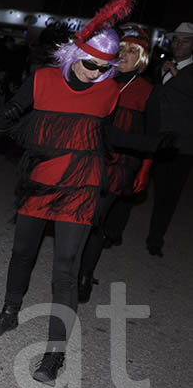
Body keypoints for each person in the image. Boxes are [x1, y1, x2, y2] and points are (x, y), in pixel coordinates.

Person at [0, 0, 138, 384]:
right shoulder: (43, 79)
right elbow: (14, 111)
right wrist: (3, 117)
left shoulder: (108, 93)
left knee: (65, 269)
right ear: (73, 53)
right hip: (41, 180)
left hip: (82, 187)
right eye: (88, 64)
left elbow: (111, 138)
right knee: (22, 253)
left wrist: (150, 145)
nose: (94, 73)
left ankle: (54, 354)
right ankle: (10, 313)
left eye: (103, 68)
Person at [78, 25, 155, 302]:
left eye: (132, 50)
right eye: (121, 48)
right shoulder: (101, 77)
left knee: (95, 218)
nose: (124, 54)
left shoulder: (147, 91)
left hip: (118, 164)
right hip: (87, 157)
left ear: (143, 58)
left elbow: (151, 137)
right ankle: (74, 267)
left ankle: (84, 274)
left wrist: (145, 170)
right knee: (80, 216)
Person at [145, 21, 193, 257]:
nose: (179, 44)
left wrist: (177, 76)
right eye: (176, 39)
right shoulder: (162, 65)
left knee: (167, 196)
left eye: (185, 40)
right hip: (153, 139)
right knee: (134, 183)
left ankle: (155, 239)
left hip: (180, 146)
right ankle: (113, 231)